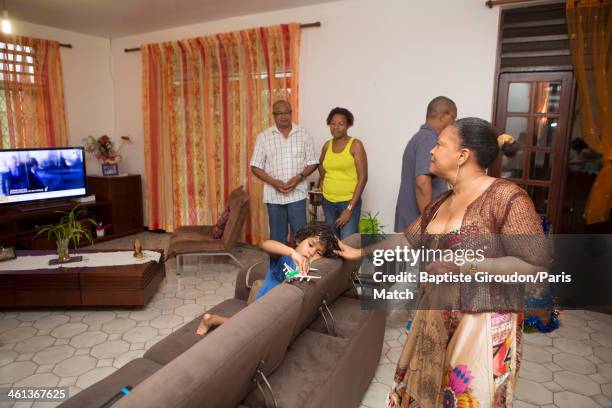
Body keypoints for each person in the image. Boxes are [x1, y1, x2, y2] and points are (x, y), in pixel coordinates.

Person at [336, 118, 548, 407]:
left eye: (440, 144)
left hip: (479, 325)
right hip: (433, 317)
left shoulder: (506, 197)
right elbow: (405, 241)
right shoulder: (440, 202)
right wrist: (359, 252)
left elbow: (533, 263)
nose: (432, 152)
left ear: (462, 156)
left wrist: (468, 265)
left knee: (464, 397)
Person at [196, 222, 340, 335]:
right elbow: (266, 244)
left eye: (318, 252)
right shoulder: (286, 259)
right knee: (249, 329)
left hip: (278, 310)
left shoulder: (311, 269)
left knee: (252, 327)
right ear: (299, 240)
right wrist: (292, 253)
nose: (311, 252)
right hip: (262, 305)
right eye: (310, 245)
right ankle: (212, 320)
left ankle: (213, 320)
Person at [250, 100, 319, 244]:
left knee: (300, 237)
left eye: (286, 112)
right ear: (273, 115)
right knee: (277, 238)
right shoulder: (263, 137)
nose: (283, 116)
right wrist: (273, 182)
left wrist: (299, 177)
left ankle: (298, 267)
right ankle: (278, 267)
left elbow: (313, 162)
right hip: (274, 196)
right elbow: (255, 166)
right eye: (279, 113)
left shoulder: (304, 134)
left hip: (297, 195)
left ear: (291, 113)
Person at [394, 96, 457, 232]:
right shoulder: (429, 139)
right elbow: (422, 182)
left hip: (412, 221)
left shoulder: (420, 137)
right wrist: (428, 223)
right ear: (443, 116)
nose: (453, 124)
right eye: (453, 118)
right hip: (419, 225)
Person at [318, 107, 368, 238]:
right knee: (332, 243)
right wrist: (325, 181)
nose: (336, 127)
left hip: (348, 202)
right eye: (333, 123)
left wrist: (349, 209)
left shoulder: (355, 145)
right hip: (328, 201)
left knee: (348, 244)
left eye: (341, 124)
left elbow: (363, 178)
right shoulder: (327, 145)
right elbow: (321, 164)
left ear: (348, 125)